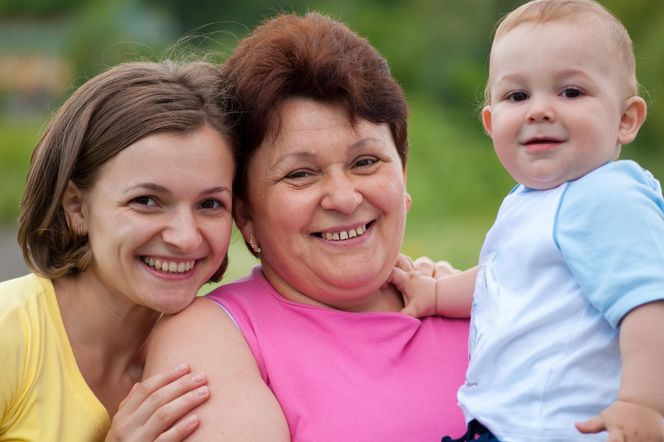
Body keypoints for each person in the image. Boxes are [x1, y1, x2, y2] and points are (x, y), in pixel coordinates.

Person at [144, 11, 470, 441]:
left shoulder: (481, 304)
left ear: (403, 177)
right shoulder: (213, 337)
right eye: (300, 174)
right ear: (244, 214)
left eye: (366, 162)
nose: (344, 197)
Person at [390, 0, 664, 440]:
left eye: (570, 92)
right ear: (490, 120)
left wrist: (642, 403)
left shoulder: (607, 195)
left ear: (626, 119)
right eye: (517, 96)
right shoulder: (533, 202)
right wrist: (440, 293)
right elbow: (505, 278)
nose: (539, 110)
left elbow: (649, 302)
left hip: (563, 428)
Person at [0, 60, 236, 441]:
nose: (185, 238)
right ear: (76, 208)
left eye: (210, 204)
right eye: (147, 200)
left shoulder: (211, 354)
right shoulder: (9, 336)